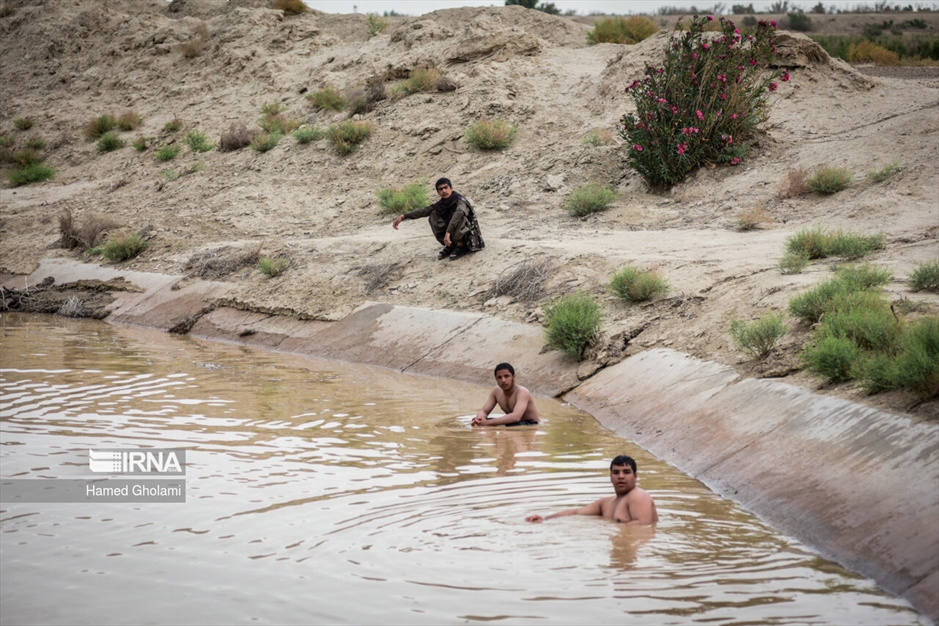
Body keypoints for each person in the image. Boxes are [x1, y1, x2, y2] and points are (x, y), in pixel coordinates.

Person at [525, 455, 658, 525]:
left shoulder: (639, 496)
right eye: (616, 472)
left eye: (626, 472)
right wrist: (545, 519)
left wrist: (609, 533)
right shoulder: (606, 503)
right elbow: (576, 512)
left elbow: (643, 526)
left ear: (635, 476)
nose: (621, 476)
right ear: (610, 477)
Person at [392, 178, 485, 261]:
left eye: (446, 187)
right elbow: (424, 211)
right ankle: (451, 245)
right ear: (438, 192)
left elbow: (459, 213)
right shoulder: (442, 204)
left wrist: (448, 232)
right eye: (440, 189)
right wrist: (404, 216)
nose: (444, 191)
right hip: (452, 234)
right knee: (433, 214)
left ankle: (461, 244)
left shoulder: (460, 200)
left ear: (451, 188)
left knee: (457, 216)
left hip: (469, 235)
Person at [471, 362, 540, 427]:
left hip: (531, 425)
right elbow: (484, 411)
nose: (503, 380)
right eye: (499, 377)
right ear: (496, 379)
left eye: (506, 376)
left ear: (514, 377)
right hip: (513, 424)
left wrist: (487, 423)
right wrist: (479, 419)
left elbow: (516, 417)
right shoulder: (496, 391)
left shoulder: (522, 392)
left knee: (493, 424)